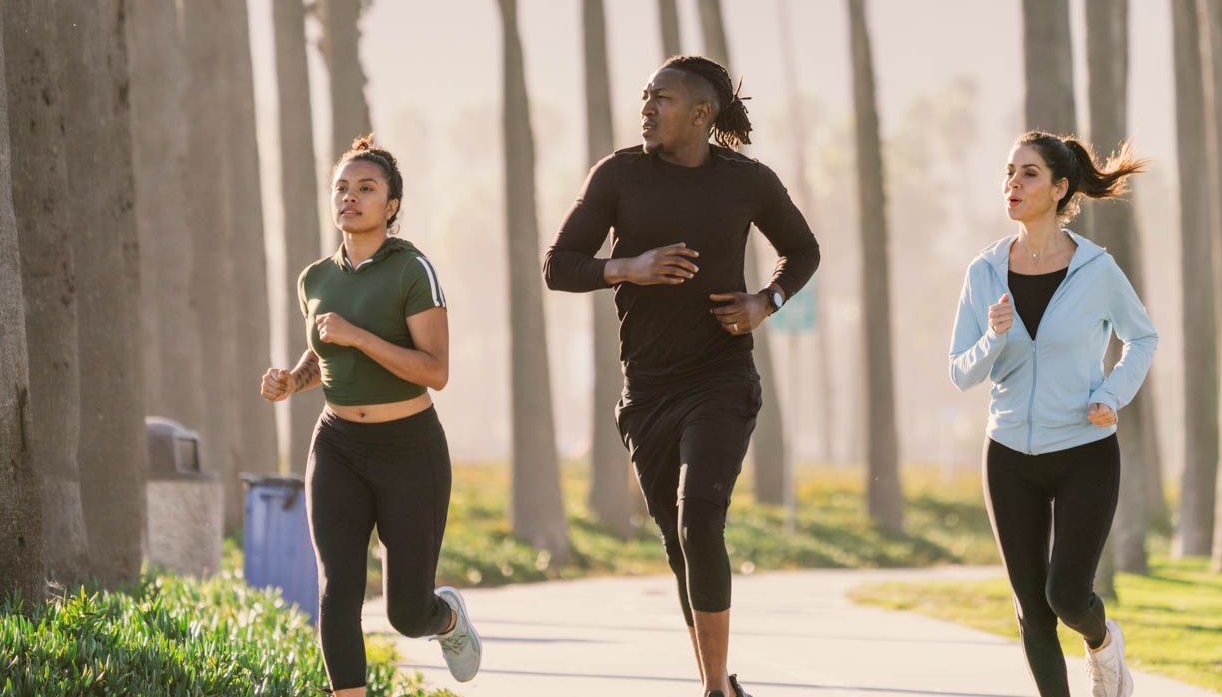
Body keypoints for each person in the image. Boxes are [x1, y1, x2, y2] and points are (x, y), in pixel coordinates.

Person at [544, 55, 820, 697]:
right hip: (646, 391)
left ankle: (714, 688)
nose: (646, 107)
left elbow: (803, 249)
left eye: (660, 98)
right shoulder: (617, 176)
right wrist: (627, 268)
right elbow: (558, 264)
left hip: (721, 378)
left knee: (699, 522)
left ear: (700, 114)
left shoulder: (747, 180)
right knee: (677, 544)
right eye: (645, 95)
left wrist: (767, 302)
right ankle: (719, 682)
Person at [259, 136, 481, 697]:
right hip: (336, 446)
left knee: (407, 612)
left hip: (409, 449)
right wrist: (291, 380)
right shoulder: (315, 278)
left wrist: (358, 336)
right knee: (337, 590)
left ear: (391, 205)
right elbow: (324, 353)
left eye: (365, 188)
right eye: (341, 187)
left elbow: (435, 370)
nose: (350, 197)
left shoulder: (412, 270)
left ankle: (446, 620)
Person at [948, 131, 1158, 697]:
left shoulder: (1096, 269)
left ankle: (1103, 644)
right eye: (1008, 172)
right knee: (1032, 609)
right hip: (1009, 455)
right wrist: (992, 339)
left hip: (1084, 451)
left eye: (1029, 173)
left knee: (1065, 596)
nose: (1012, 184)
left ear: (1060, 188)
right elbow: (960, 371)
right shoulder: (984, 271)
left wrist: (1112, 394)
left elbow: (1142, 337)